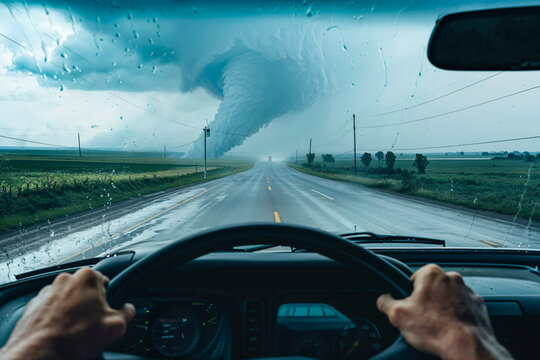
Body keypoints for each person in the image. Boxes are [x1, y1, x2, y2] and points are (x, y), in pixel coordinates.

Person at [0, 264, 513, 360]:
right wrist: (465, 340)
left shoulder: (44, 339)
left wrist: (38, 345)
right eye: (174, 331)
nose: (174, 330)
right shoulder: (463, 332)